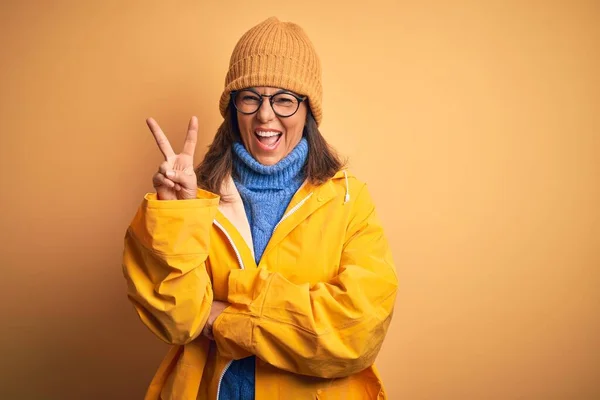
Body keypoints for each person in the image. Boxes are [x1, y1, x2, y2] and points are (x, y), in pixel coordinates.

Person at [122, 16, 398, 400]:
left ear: (308, 111)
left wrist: (225, 314)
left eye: (284, 99)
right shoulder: (195, 197)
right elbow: (177, 320)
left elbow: (356, 329)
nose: (265, 115)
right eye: (250, 97)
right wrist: (173, 217)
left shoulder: (349, 200)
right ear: (233, 107)